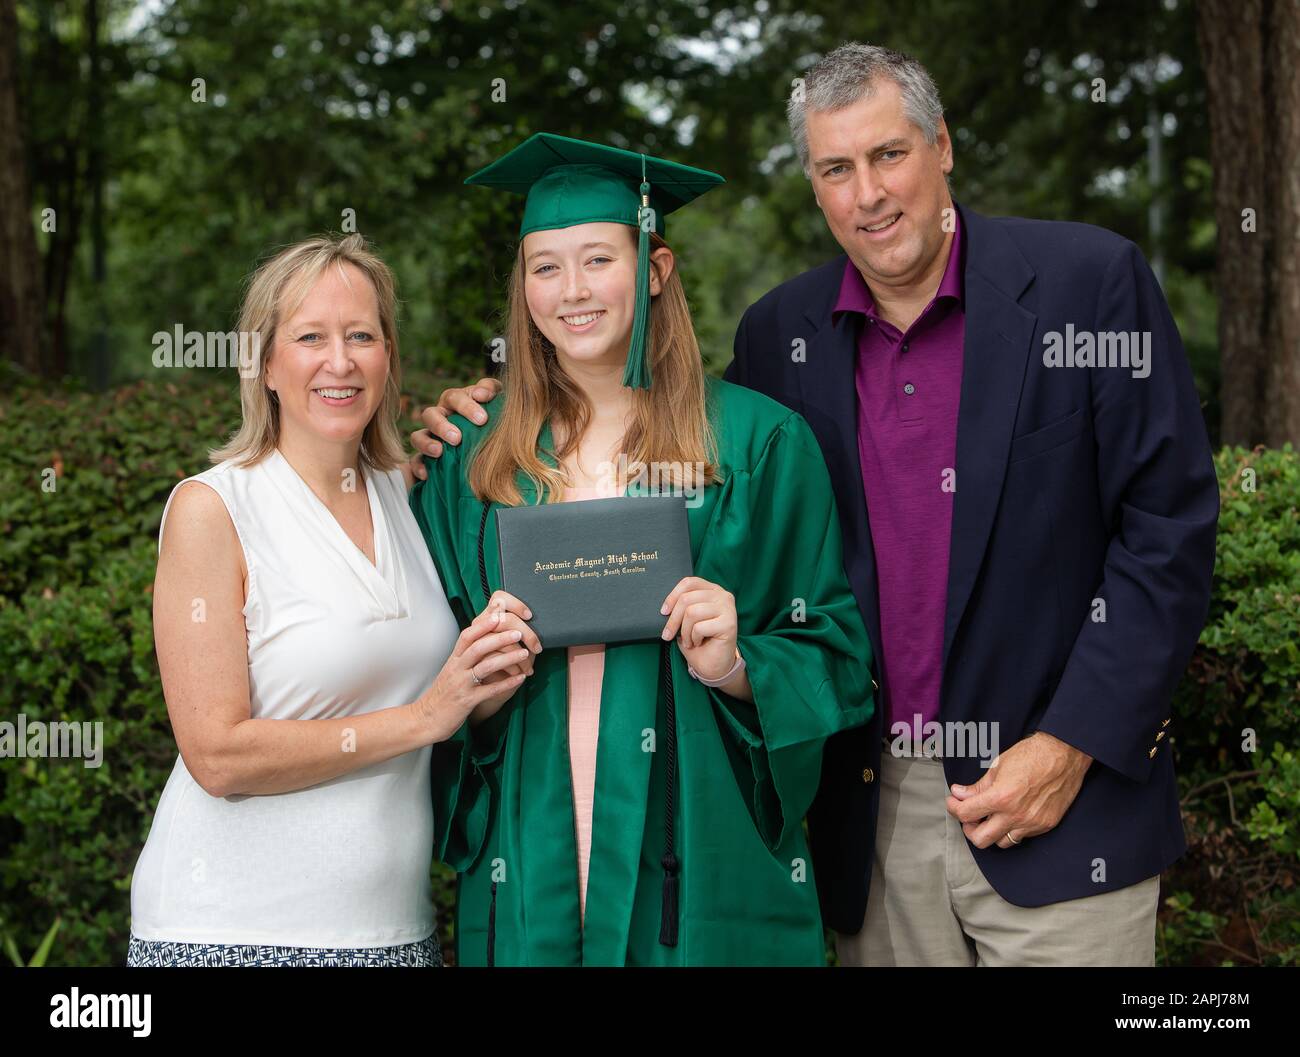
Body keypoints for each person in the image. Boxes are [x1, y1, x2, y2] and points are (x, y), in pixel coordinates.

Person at [414, 44, 1219, 968]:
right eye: (837, 168)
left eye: (889, 155)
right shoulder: (779, 338)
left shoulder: (1089, 285)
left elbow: (1170, 533)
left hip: (1053, 796)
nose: (868, 193)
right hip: (870, 813)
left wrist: (1074, 741)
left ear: (943, 145)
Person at [409, 133, 875, 966]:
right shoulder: (469, 461)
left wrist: (738, 662)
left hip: (698, 858)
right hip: (530, 850)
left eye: (598, 259)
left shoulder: (758, 443)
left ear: (654, 270)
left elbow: (835, 654)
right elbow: (417, 664)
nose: (572, 290)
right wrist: (472, 686)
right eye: (545, 266)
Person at [127, 234, 531, 967]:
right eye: (310, 336)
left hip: (393, 932)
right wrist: (425, 717)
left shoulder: (407, 494)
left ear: (388, 358)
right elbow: (217, 754)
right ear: (265, 363)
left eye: (361, 336)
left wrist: (480, 684)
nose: (339, 361)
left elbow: (435, 693)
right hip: (234, 934)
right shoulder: (214, 509)